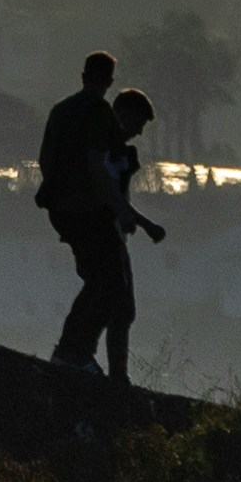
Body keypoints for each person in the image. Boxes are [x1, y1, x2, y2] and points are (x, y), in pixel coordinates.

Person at [42, 61, 168, 384]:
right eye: (138, 124)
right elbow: (103, 180)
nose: (139, 132)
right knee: (107, 290)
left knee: (117, 302)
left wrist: (135, 218)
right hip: (94, 219)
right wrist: (129, 216)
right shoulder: (100, 124)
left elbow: (49, 163)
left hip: (71, 215)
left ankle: (108, 373)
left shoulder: (62, 113)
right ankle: (74, 354)